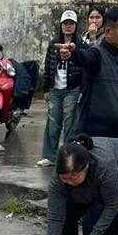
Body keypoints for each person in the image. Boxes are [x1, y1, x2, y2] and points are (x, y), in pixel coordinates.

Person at [74, 6, 118, 140]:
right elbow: (84, 57)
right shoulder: (97, 55)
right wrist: (71, 53)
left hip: (116, 134)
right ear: (108, 31)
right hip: (93, 135)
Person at [38, 9, 85, 166]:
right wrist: (46, 89)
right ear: (61, 25)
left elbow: (85, 69)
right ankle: (50, 156)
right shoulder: (54, 44)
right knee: (53, 123)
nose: (68, 26)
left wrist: (82, 90)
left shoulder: (81, 44)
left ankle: (68, 156)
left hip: (73, 89)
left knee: (70, 124)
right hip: (55, 89)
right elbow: (48, 66)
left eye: (71, 23)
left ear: (76, 25)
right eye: (65, 23)